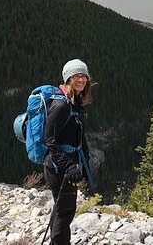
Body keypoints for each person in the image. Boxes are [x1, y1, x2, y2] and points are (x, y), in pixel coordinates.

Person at [43, 59, 94, 245]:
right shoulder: (61, 105)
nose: (81, 80)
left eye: (84, 76)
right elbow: (50, 141)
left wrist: (84, 164)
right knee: (65, 212)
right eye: (76, 76)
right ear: (68, 78)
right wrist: (70, 166)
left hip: (67, 166)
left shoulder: (75, 103)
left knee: (61, 210)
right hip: (58, 168)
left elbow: (80, 137)